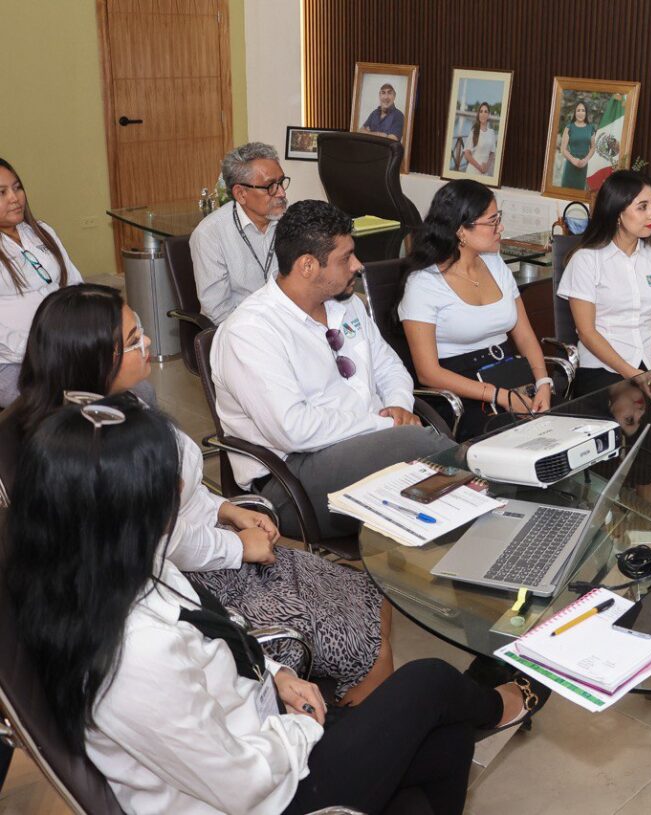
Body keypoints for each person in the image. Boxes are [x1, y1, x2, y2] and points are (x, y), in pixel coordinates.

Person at [4, 397, 544, 814]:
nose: (181, 487)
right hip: (261, 796)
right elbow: (239, 784)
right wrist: (304, 729)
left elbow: (216, 630)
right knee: (428, 683)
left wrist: (278, 673)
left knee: (445, 747)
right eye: (166, 480)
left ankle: (484, 713)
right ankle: (505, 706)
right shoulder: (133, 655)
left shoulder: (109, 566)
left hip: (261, 734)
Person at [0, 283, 393, 705]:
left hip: (212, 547)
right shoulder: (92, 450)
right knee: (367, 644)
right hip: (185, 581)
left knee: (375, 597)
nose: (148, 342)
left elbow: (180, 491)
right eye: (133, 341)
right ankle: (343, 727)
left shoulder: (126, 402)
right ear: (93, 359)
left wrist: (225, 510)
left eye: (140, 329)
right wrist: (238, 547)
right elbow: (157, 541)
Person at [212, 199, 453, 540]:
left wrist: (398, 405)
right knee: (424, 448)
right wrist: (385, 424)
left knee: (437, 493)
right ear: (308, 265)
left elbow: (389, 365)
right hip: (291, 479)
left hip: (369, 446)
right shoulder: (250, 331)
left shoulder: (347, 304)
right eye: (345, 258)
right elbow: (294, 430)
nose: (358, 265)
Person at [558, 170, 651, 500]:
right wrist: (634, 374)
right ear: (617, 212)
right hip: (604, 368)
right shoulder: (587, 260)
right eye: (642, 206)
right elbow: (587, 331)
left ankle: (645, 489)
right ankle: (643, 502)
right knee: (641, 416)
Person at [397, 179, 555, 441]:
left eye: (498, 218)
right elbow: (428, 373)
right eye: (492, 221)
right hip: (461, 392)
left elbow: (525, 336)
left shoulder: (495, 264)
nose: (500, 227)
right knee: (520, 440)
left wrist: (543, 383)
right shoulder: (424, 283)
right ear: (461, 230)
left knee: (568, 426)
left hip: (510, 377)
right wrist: (498, 395)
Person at [0, 157, 82, 407]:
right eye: (2, 193)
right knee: (53, 405)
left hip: (63, 348)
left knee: (137, 393)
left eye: (17, 188)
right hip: (12, 362)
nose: (14, 198)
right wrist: (40, 350)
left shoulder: (41, 231)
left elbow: (75, 284)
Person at [190, 142, 289, 324]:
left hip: (287, 322)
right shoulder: (210, 234)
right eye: (270, 186)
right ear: (241, 194)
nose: (281, 193)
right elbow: (217, 311)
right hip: (240, 329)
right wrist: (261, 332)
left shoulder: (291, 222)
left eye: (281, 182)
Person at [559, 100, 596, 190]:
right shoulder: (569, 127)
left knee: (581, 192)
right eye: (578, 110)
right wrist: (573, 160)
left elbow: (593, 147)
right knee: (566, 192)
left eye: (583, 110)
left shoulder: (591, 128)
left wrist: (585, 160)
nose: (580, 113)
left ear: (586, 113)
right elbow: (563, 149)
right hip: (570, 164)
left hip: (584, 164)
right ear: (575, 112)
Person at [463, 102, 496, 176]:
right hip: (473, 171)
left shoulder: (492, 133)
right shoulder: (474, 131)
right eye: (481, 111)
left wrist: (487, 167)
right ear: (478, 114)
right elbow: (467, 154)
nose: (483, 114)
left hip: (485, 173)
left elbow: (492, 153)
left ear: (489, 115)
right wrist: (479, 167)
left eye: (485, 111)